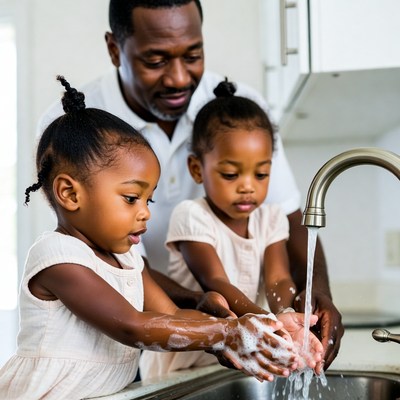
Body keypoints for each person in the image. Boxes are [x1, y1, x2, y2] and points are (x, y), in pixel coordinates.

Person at [38, 0, 343, 368]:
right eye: (156, 61)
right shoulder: (71, 128)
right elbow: (125, 299)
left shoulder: (239, 110)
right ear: (115, 49)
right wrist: (234, 330)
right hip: (121, 340)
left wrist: (311, 298)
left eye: (193, 55)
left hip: (180, 331)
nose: (179, 78)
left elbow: (290, 222)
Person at [0, 76, 311, 399]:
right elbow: (133, 326)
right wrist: (228, 333)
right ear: (69, 193)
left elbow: (170, 317)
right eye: (132, 198)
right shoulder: (58, 258)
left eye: (148, 200)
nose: (146, 212)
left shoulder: (128, 259)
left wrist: (256, 328)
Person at [139, 79, 324, 379]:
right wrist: (268, 324)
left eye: (261, 173)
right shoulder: (191, 216)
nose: (248, 186)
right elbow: (214, 281)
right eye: (230, 174)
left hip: (242, 349)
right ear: (197, 169)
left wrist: (286, 316)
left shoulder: (271, 219)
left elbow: (278, 280)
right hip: (183, 362)